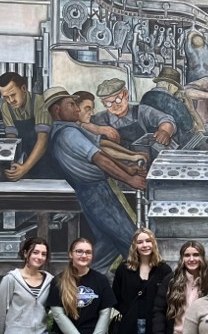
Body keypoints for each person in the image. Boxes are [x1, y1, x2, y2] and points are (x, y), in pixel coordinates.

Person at [46, 86, 143, 272]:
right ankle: (140, 280)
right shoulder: (69, 134)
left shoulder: (70, 129)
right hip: (95, 192)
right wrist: (130, 179)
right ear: (57, 110)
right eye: (71, 105)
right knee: (130, 238)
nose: (77, 109)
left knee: (109, 243)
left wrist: (128, 168)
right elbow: (100, 159)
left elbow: (102, 150)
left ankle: (82, 277)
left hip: (91, 191)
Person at [91, 77, 178, 155]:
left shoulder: (141, 110)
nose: (115, 105)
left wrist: (164, 131)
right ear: (103, 103)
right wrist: (98, 129)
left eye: (118, 99)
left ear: (125, 94)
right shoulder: (99, 119)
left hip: (143, 158)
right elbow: (79, 125)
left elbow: (166, 119)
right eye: (109, 103)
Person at [0, 72, 53, 180]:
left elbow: (43, 139)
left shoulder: (39, 102)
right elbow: (11, 139)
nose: (10, 101)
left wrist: (24, 168)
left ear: (23, 88)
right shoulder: (5, 107)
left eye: (13, 95)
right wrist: (12, 164)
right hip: (27, 161)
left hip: (48, 160)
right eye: (6, 97)